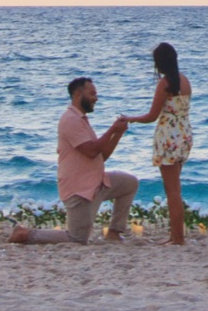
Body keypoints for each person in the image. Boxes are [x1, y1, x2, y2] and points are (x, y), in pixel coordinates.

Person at [9, 76, 139, 244]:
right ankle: (25, 234)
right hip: (80, 190)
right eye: (92, 94)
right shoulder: (70, 119)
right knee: (77, 238)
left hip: (97, 182)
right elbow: (91, 151)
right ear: (78, 95)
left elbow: (101, 156)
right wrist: (112, 128)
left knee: (129, 183)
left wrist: (118, 133)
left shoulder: (81, 119)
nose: (96, 98)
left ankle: (114, 232)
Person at [124, 41, 192, 245]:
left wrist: (130, 118)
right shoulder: (185, 80)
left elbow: (152, 115)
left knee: (172, 191)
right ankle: (177, 235)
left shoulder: (165, 83)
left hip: (169, 137)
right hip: (184, 134)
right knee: (176, 189)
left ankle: (177, 238)